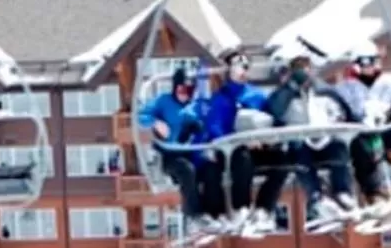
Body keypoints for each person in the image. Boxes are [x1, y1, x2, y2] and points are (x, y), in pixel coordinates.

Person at [329, 45, 391, 217]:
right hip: (362, 129)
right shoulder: (347, 87)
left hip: (388, 127)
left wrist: (390, 116)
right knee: (361, 151)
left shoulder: (390, 84)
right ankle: (373, 194)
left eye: (373, 62)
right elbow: (339, 110)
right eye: (365, 63)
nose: (370, 67)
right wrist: (353, 121)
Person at [265, 54, 355, 225]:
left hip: (324, 139)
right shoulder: (284, 95)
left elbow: (342, 111)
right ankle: (316, 198)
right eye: (300, 72)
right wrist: (290, 87)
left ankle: (342, 192)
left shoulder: (324, 92)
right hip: (300, 142)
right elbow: (274, 111)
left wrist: (338, 120)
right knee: (298, 151)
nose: (305, 77)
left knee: (339, 146)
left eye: (307, 71)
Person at [204, 50, 279, 234]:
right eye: (238, 67)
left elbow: (269, 120)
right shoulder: (221, 98)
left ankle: (263, 208)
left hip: (257, 147)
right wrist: (240, 140)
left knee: (283, 160)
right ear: (229, 69)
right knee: (242, 158)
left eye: (246, 66)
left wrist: (265, 139)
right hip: (232, 151)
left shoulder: (257, 95)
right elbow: (215, 127)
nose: (243, 71)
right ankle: (241, 208)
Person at [141, 69, 214, 222]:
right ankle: (194, 215)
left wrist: (199, 127)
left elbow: (209, 123)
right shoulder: (163, 101)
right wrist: (156, 122)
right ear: (175, 87)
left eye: (189, 90)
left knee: (211, 170)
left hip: (192, 152)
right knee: (187, 170)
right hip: (170, 155)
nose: (184, 95)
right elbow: (141, 115)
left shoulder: (196, 106)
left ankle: (213, 213)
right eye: (181, 90)